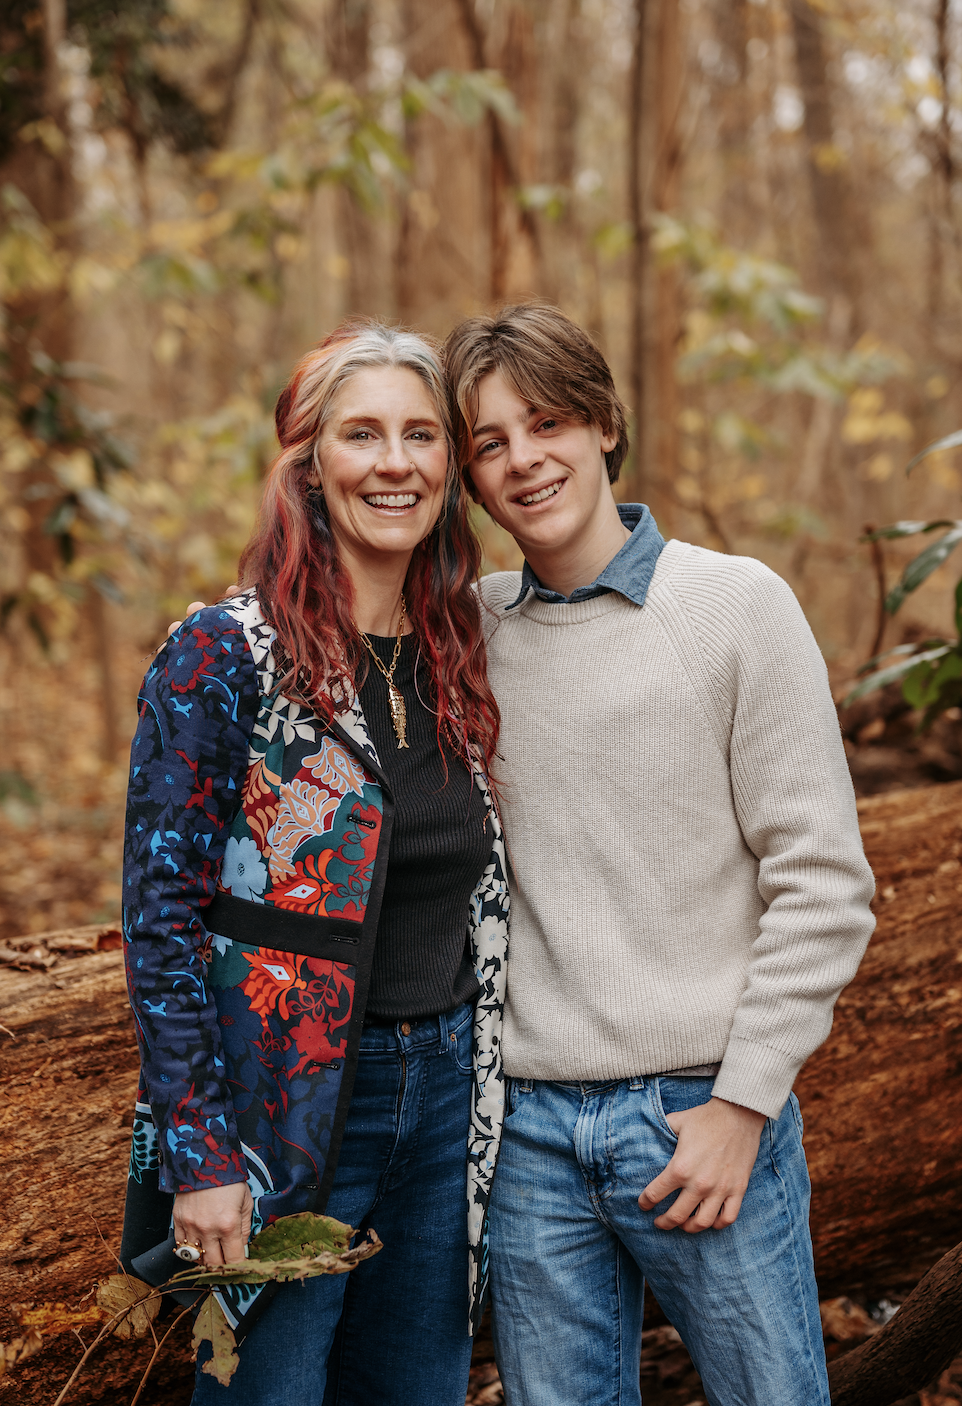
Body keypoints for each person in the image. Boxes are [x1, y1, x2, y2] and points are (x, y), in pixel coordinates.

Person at [441, 303, 875, 1406]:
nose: (524, 459)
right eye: (488, 443)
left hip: (701, 1110)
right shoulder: (467, 633)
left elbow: (822, 884)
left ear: (601, 422)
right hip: (529, 1128)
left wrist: (742, 1103)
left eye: (545, 422)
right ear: (469, 478)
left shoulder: (734, 606)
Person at [119, 320, 509, 1406]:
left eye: (422, 434)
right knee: (270, 1389)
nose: (396, 462)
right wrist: (195, 1151)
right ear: (308, 462)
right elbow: (160, 920)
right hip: (281, 1107)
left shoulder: (456, 650)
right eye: (363, 433)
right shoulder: (224, 652)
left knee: (415, 1386)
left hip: (441, 1097)